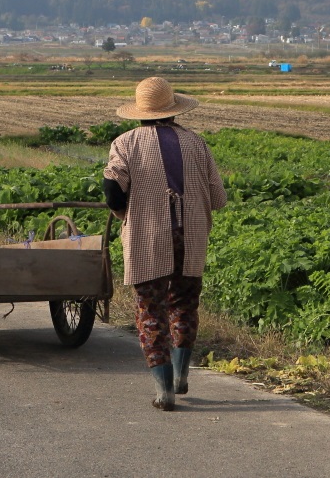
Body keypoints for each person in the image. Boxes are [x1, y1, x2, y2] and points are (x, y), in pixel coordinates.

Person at [103, 76, 227, 411]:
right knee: (184, 305)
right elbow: (218, 198)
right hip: (191, 235)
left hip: (148, 236)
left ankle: (163, 391)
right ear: (174, 110)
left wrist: (124, 212)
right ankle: (181, 376)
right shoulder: (197, 144)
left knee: (150, 310)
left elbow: (113, 190)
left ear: (140, 112)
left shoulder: (125, 143)